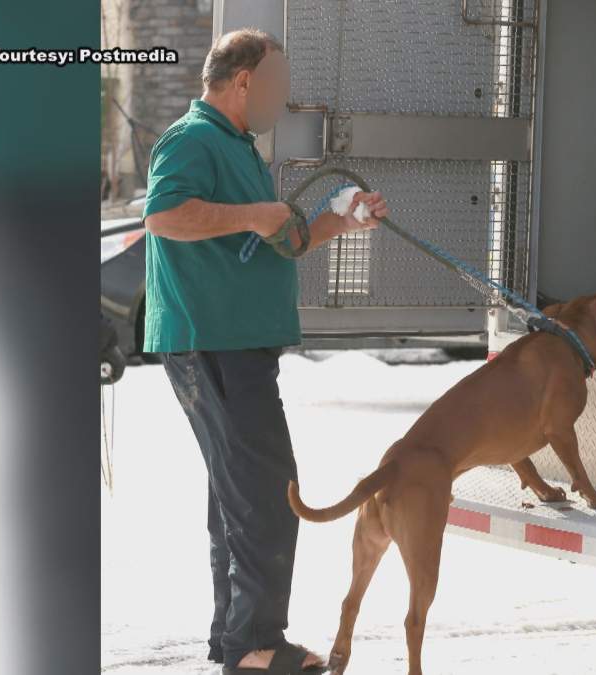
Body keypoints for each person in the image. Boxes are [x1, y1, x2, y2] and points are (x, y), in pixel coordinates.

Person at [142, 28, 388, 674]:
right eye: (276, 83)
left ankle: (239, 641)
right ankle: (255, 642)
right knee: (268, 494)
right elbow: (165, 214)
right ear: (244, 79)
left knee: (238, 496)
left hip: (237, 346)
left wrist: (344, 219)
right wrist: (253, 215)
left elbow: (285, 239)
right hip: (211, 344)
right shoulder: (192, 139)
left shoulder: (238, 149)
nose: (283, 98)